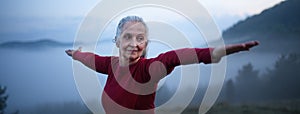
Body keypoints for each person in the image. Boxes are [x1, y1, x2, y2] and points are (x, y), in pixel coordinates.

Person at [65, 16, 259, 114]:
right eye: (127, 37)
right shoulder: (110, 65)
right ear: (116, 41)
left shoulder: (149, 70)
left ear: (146, 44)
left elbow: (175, 57)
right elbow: (90, 59)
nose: (134, 43)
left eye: (140, 38)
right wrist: (77, 54)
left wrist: (213, 53)